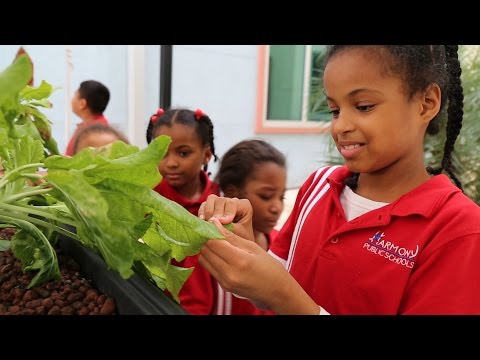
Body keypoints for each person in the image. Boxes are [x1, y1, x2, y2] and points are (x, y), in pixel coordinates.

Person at [197, 45, 480, 315]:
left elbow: (281, 293)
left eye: (364, 106)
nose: (340, 126)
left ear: (425, 103)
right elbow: (270, 288)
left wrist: (283, 296)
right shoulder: (319, 186)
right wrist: (242, 248)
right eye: (334, 110)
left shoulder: (459, 230)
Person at [146, 107, 220, 314]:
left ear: (206, 155)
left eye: (183, 153)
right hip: (161, 305)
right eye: (161, 153)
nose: (171, 163)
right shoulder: (147, 198)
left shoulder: (219, 199)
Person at [214, 138, 286, 315]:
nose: (277, 207)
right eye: (266, 196)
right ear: (232, 193)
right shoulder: (215, 250)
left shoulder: (282, 246)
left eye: (281, 197)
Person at [65, 80, 110, 156]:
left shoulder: (94, 134)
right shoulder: (99, 128)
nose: (72, 100)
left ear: (82, 104)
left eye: (75, 96)